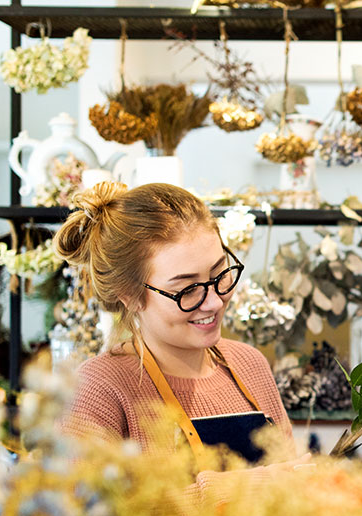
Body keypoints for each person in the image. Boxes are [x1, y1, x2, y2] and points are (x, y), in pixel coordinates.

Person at [54, 182, 306, 480]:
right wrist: (245, 488)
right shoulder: (97, 390)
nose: (213, 301)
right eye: (187, 289)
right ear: (129, 294)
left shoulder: (250, 365)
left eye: (219, 274)